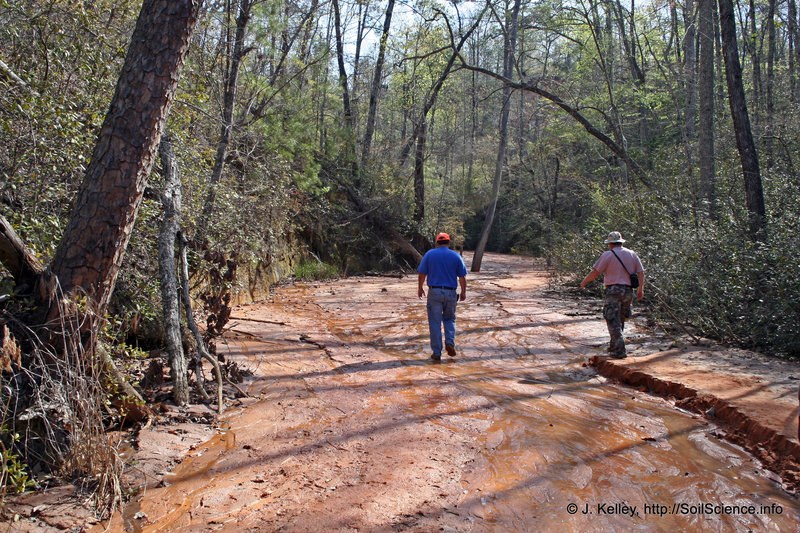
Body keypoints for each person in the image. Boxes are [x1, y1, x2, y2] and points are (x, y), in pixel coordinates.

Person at [580, 231, 645, 359]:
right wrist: (640, 289)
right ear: (621, 242)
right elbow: (640, 272)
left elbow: (596, 272)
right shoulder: (632, 254)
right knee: (620, 319)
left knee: (612, 319)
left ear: (610, 244)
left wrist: (584, 282)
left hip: (614, 291)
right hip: (628, 291)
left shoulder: (608, 255)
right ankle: (614, 347)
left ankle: (619, 350)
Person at [418, 232, 467, 361]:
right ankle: (450, 342)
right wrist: (463, 292)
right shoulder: (455, 256)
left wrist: (420, 288)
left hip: (434, 292)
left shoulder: (429, 254)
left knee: (435, 322)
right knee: (450, 319)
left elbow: (422, 273)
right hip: (451, 292)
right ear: (449, 243)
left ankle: (437, 353)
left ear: (437, 243)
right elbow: (462, 277)